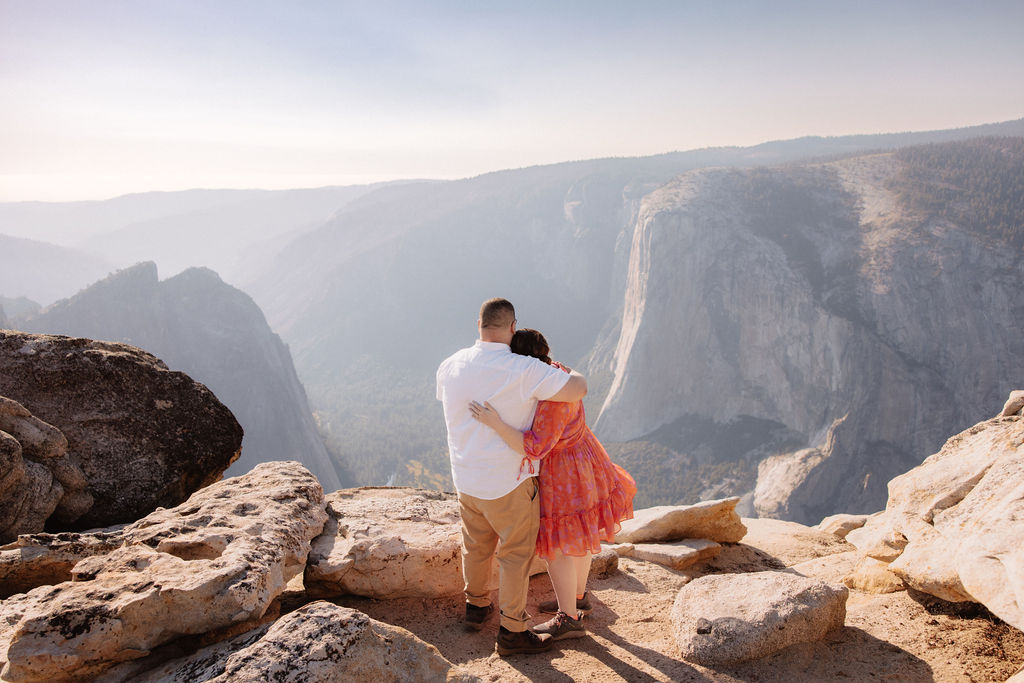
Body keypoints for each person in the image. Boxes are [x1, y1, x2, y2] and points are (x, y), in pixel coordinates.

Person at [436, 298, 588, 656]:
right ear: (511, 327)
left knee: (475, 546)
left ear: (479, 323)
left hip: (466, 479)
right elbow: (577, 389)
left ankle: (476, 607)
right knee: (515, 555)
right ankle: (513, 631)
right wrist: (572, 370)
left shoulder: (449, 365)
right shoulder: (523, 369)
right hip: (509, 482)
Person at [469, 328, 636, 641]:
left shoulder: (551, 399)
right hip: (586, 461)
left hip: (563, 474)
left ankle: (569, 618)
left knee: (556, 545)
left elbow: (534, 446)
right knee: (581, 533)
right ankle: (577, 597)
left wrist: (495, 423)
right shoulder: (558, 372)